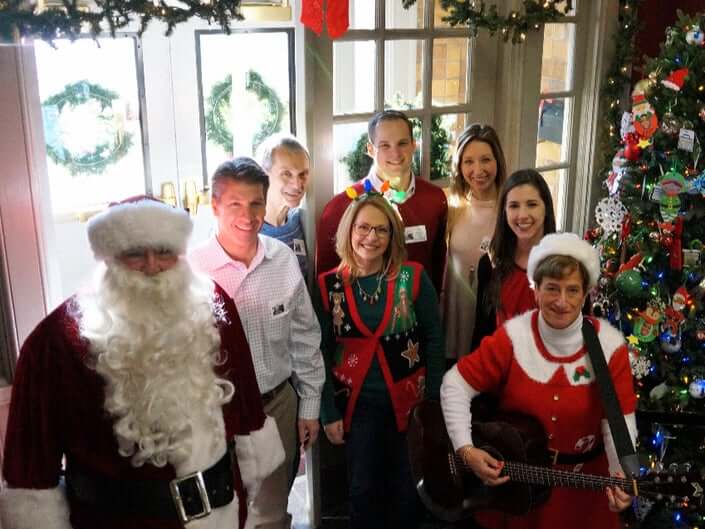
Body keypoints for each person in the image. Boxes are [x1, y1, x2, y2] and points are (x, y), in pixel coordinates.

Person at [0, 196, 284, 529]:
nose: (152, 265)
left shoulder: (214, 307)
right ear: (110, 256)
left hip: (220, 515)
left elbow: (246, 409)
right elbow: (30, 467)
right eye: (135, 253)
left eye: (164, 251)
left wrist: (247, 496)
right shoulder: (55, 340)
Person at [441, 232, 637, 529]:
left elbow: (618, 422)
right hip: (520, 493)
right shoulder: (513, 337)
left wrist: (621, 474)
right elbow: (455, 384)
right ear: (536, 290)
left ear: (585, 295)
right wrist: (465, 449)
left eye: (573, 290)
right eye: (552, 288)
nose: (562, 301)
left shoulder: (608, 346)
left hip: (584, 495)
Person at [189, 157, 325, 529]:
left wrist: (309, 405)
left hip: (276, 407)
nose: (248, 216)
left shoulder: (282, 259)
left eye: (256, 203)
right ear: (214, 206)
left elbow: (304, 336)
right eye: (235, 204)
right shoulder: (191, 271)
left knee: (271, 515)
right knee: (218, 515)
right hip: (216, 415)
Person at [316, 192, 445, 529]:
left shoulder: (413, 277)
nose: (371, 237)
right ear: (349, 230)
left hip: (410, 405)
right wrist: (328, 412)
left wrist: (432, 401)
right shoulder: (329, 285)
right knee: (363, 493)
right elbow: (320, 351)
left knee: (409, 495)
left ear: (392, 236)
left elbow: (434, 339)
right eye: (363, 227)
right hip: (357, 408)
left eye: (381, 229)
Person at [316, 109, 448, 293]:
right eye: (385, 145)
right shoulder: (340, 207)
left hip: (419, 306)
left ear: (413, 145)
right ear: (370, 149)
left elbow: (438, 266)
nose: (395, 153)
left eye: (402, 143)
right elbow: (326, 284)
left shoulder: (435, 199)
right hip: (362, 308)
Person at [443, 123, 507, 366]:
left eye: (485, 160)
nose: (478, 170)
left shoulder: (510, 209)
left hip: (491, 322)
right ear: (459, 166)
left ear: (498, 161)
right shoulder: (451, 207)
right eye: (468, 161)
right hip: (454, 319)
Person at [471, 169, 556, 350]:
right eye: (514, 206)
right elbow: (482, 333)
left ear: (546, 208)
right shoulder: (489, 265)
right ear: (504, 211)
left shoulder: (568, 263)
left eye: (532, 204)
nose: (522, 215)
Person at [258, 133, 311, 279]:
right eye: (287, 174)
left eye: (303, 174)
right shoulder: (250, 232)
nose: (297, 185)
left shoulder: (300, 220)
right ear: (264, 175)